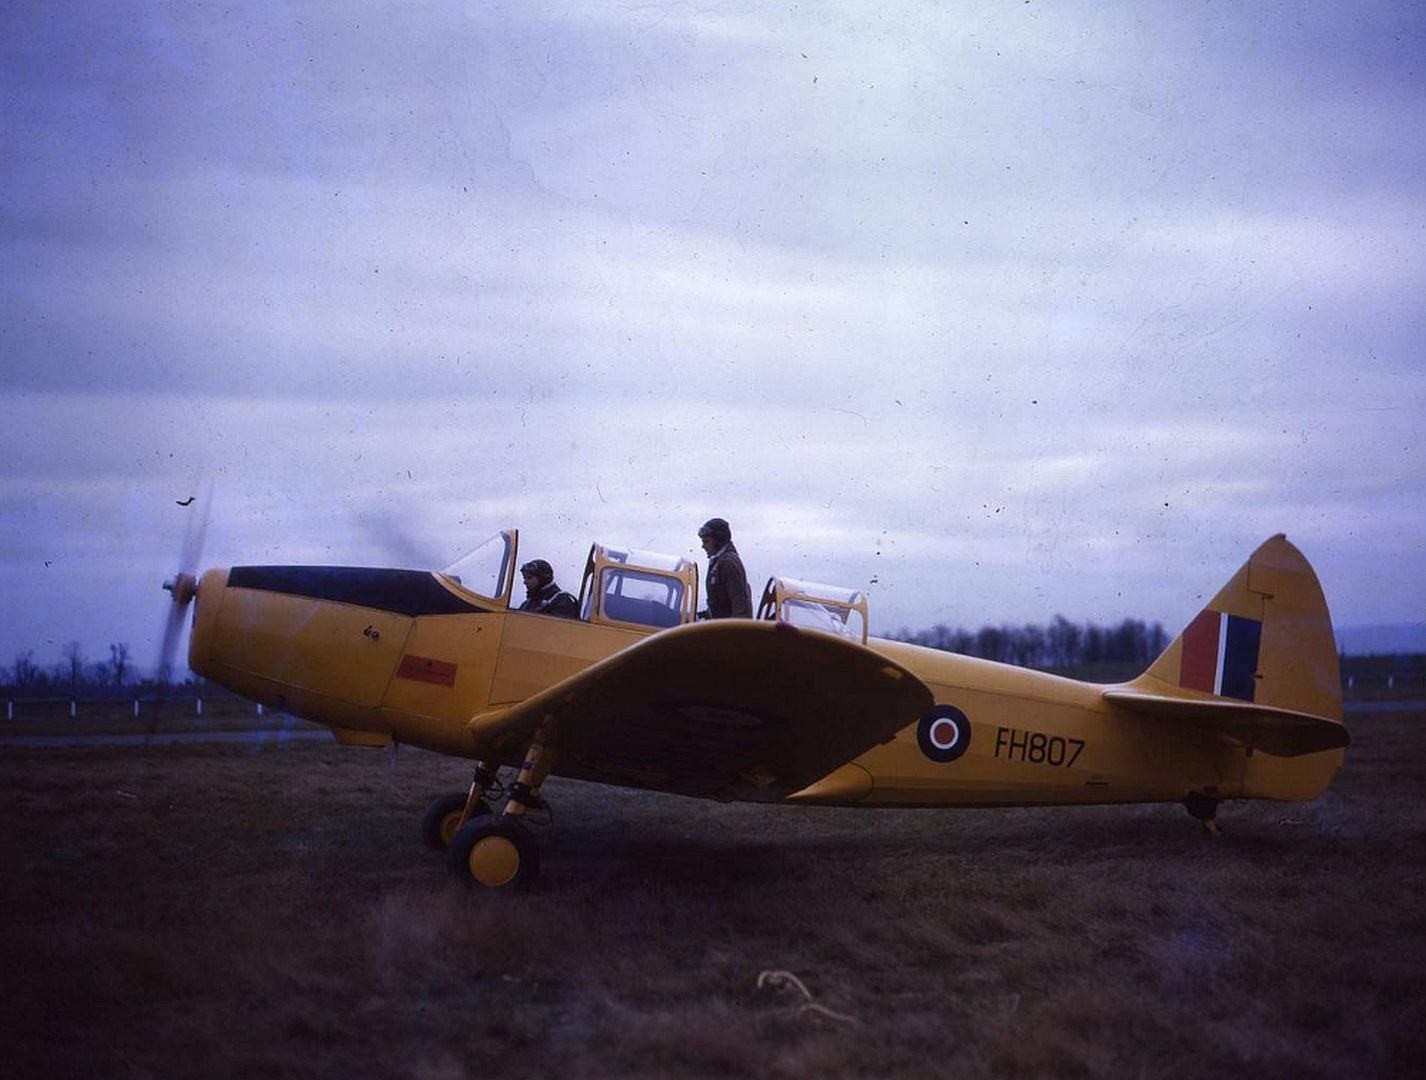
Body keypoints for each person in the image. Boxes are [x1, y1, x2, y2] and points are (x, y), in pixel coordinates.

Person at [697, 517, 752, 619]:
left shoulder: (728, 563)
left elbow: (740, 609)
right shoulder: (720, 562)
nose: (703, 546)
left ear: (718, 541)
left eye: (707, 541)